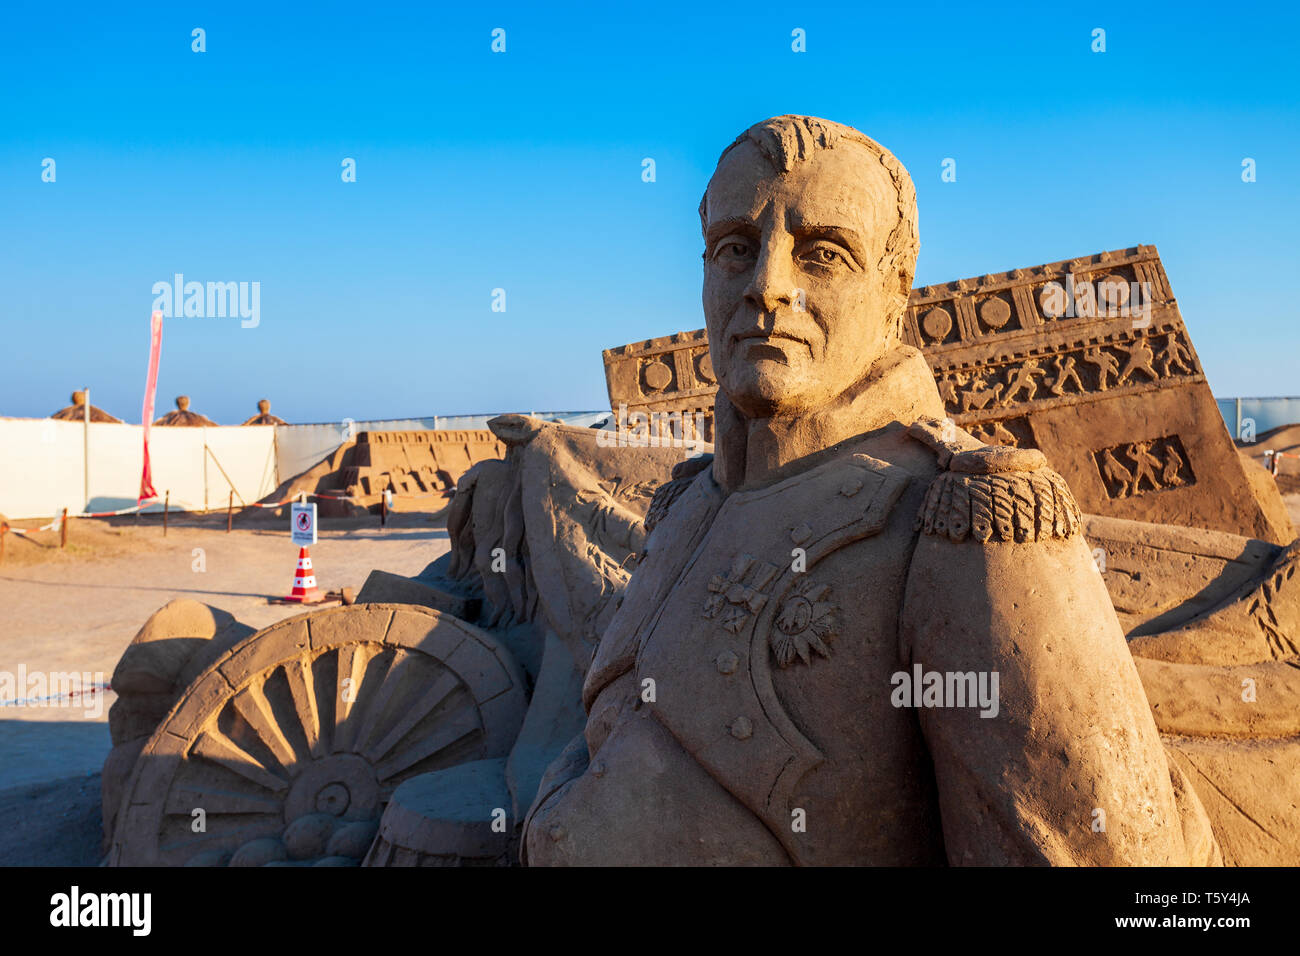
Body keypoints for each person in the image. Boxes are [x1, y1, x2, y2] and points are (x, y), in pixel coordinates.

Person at [521, 115, 1217, 866]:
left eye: (822, 254)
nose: (766, 287)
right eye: (734, 249)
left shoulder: (966, 523)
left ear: (895, 292)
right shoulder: (687, 503)